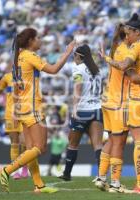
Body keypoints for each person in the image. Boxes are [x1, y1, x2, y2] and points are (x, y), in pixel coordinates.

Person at [0, 27, 75, 193]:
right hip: (33, 109)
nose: (40, 40)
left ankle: (39, 185)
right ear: (31, 41)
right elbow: (53, 70)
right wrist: (67, 53)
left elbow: (17, 89)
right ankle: (7, 170)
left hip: (23, 108)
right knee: (40, 148)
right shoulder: (30, 56)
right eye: (38, 37)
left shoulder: (17, 59)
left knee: (31, 148)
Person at [101, 14, 140, 194]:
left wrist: (107, 59)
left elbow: (124, 67)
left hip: (137, 99)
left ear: (137, 32)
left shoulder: (135, 47)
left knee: (139, 142)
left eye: (129, 32)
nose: (127, 36)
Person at [58, 44, 103, 182]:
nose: (74, 58)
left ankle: (67, 173)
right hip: (97, 109)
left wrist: (74, 108)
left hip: (83, 110)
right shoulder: (97, 70)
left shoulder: (78, 69)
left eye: (74, 56)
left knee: (73, 143)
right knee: (98, 145)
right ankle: (101, 176)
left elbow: (78, 89)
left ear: (79, 56)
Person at [0, 69, 29, 180]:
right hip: (10, 114)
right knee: (14, 143)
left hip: (24, 113)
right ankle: (16, 171)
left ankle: (25, 170)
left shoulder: (27, 76)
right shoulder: (7, 77)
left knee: (24, 143)